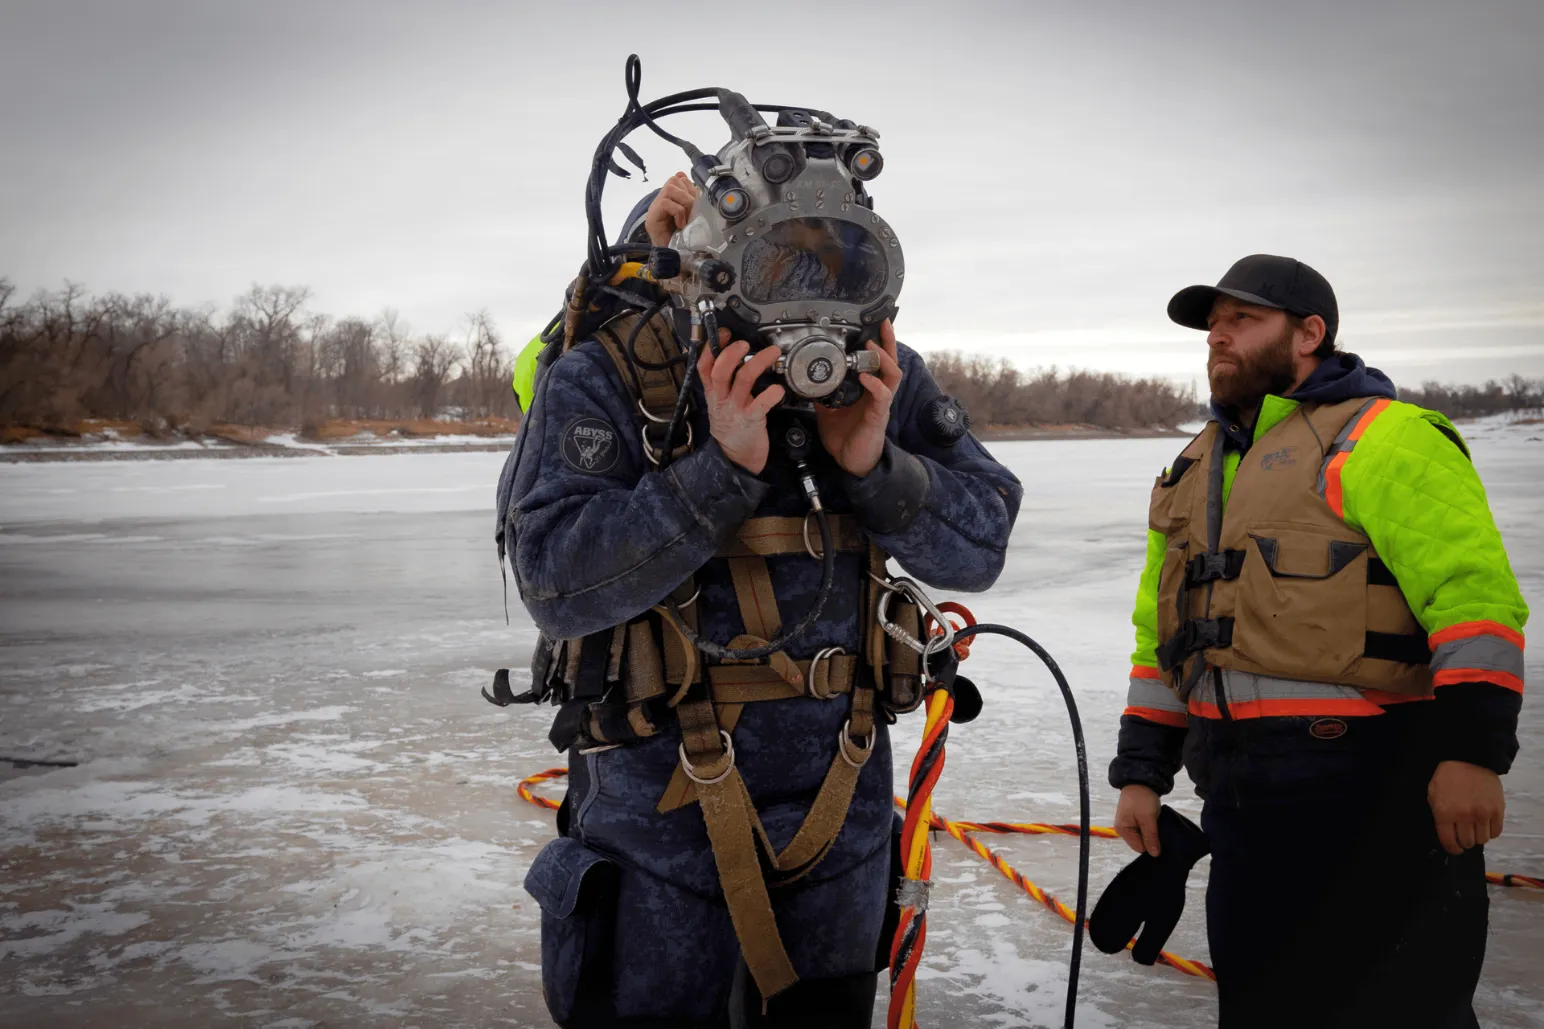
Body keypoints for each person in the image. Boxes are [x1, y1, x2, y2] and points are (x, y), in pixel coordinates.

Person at [502, 174, 1022, 1027]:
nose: (795, 284)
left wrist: (874, 467)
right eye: (772, 256)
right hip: (655, 834)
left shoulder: (878, 372)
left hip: (838, 823)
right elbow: (556, 581)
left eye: (819, 261)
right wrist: (717, 474)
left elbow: (982, 541)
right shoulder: (611, 375)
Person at [1107, 254, 1527, 1027]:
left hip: (1379, 800)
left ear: (1310, 333)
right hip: (1240, 801)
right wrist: (1142, 773)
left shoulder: (1387, 439)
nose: (1218, 337)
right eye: (1214, 324)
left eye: (1243, 319)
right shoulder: (1195, 466)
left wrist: (1471, 753)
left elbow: (1473, 601)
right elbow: (1159, 634)